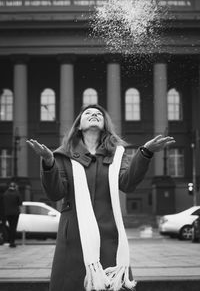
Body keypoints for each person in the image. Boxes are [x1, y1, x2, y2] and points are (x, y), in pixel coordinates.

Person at [27, 104, 175, 291]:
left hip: (109, 233)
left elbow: (127, 183)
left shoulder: (118, 154)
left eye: (99, 114)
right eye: (88, 113)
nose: (94, 115)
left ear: (105, 124)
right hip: (74, 235)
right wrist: (49, 163)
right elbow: (55, 193)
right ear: (79, 125)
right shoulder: (62, 155)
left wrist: (145, 152)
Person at [3, 181, 22, 248]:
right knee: (13, 227)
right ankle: (12, 242)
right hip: (15, 213)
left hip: (7, 213)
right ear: (15, 187)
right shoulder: (17, 193)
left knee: (10, 227)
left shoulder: (5, 193)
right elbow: (20, 203)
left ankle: (10, 241)